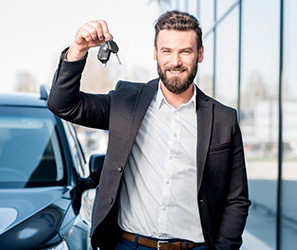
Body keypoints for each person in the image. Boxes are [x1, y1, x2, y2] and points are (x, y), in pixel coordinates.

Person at [48, 10, 251, 250]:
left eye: (185, 51)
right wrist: (78, 49)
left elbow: (236, 198)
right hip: (129, 245)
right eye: (167, 51)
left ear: (200, 54)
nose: (175, 61)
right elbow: (63, 104)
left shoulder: (223, 119)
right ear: (155, 53)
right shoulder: (126, 102)